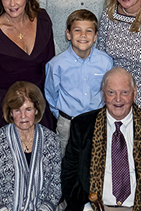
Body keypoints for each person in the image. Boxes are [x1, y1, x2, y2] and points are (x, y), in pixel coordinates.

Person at [0, 0, 56, 199]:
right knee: (8, 177)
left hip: (38, 106)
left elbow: (49, 65)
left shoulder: (43, 19)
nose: (13, 4)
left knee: (40, 173)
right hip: (4, 109)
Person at [62, 67, 141, 211]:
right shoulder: (82, 126)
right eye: (111, 92)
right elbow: (69, 176)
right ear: (103, 94)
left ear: (135, 93)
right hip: (94, 209)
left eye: (124, 92)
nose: (118, 99)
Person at [0, 81, 62, 211]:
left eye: (28, 109)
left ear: (37, 110)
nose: (23, 116)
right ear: (11, 112)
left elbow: (56, 186)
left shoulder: (51, 140)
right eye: (17, 110)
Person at [44, 9, 114, 155]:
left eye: (89, 31)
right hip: (68, 124)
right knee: (68, 164)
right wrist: (62, 118)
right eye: (77, 30)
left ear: (95, 36)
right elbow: (51, 95)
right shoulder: (56, 65)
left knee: (96, 163)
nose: (83, 35)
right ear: (68, 34)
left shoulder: (105, 62)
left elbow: (108, 91)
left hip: (97, 122)